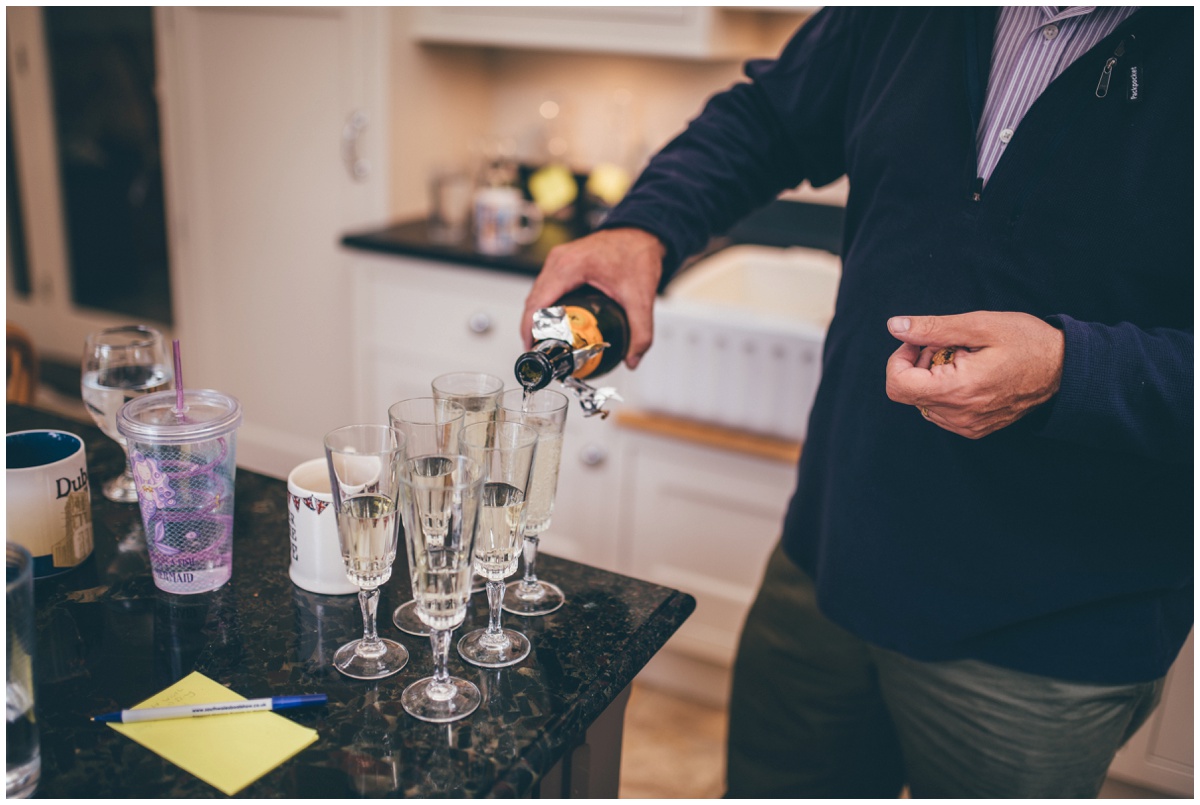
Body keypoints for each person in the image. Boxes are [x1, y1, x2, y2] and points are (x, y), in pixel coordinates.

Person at [521, 7, 1192, 798]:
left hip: (1049, 624)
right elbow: (768, 117)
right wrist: (645, 224)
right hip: (831, 552)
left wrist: (1071, 370)